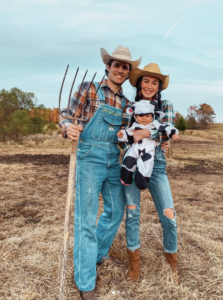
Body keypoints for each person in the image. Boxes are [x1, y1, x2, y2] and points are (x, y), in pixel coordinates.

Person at [59, 46, 142, 300]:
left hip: (113, 159)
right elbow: (66, 115)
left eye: (125, 67)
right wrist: (67, 128)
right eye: (116, 65)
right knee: (85, 219)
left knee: (116, 210)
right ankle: (85, 283)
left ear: (128, 73)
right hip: (88, 157)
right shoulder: (89, 88)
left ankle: (90, 256)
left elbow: (128, 136)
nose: (119, 70)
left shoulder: (127, 104)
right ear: (108, 66)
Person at [123, 63, 179, 282]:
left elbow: (167, 130)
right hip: (131, 162)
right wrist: (140, 137)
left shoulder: (166, 105)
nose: (149, 85)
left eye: (154, 82)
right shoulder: (129, 106)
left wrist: (145, 132)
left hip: (156, 165)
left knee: (169, 214)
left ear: (159, 87)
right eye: (145, 80)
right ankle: (134, 263)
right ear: (139, 83)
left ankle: (172, 261)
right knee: (132, 212)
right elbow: (126, 135)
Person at [117, 100, 179, 190]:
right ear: (135, 116)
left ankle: (142, 180)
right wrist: (122, 135)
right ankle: (125, 178)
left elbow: (167, 128)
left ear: (152, 116)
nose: (144, 118)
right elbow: (127, 134)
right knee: (128, 159)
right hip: (135, 148)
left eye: (147, 116)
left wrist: (173, 133)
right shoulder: (134, 126)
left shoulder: (155, 125)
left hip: (148, 150)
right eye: (141, 116)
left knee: (147, 164)